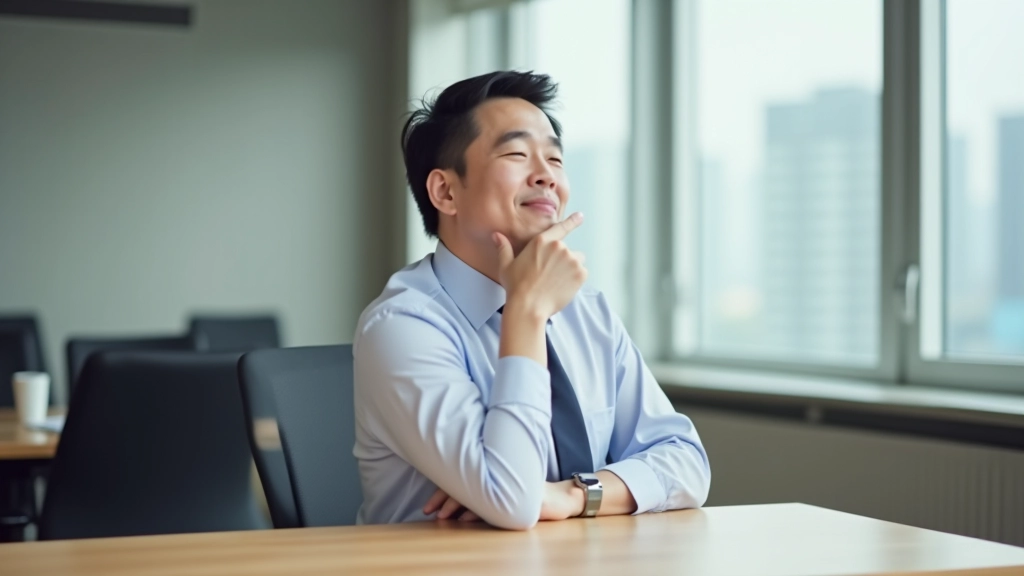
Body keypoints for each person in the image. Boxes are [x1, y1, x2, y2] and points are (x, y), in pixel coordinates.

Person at [353, 71, 710, 530]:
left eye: (556, 159)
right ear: (445, 191)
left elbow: (688, 464)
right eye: (517, 154)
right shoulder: (401, 326)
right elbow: (513, 501)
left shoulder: (587, 309)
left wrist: (574, 495)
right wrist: (526, 312)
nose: (546, 176)